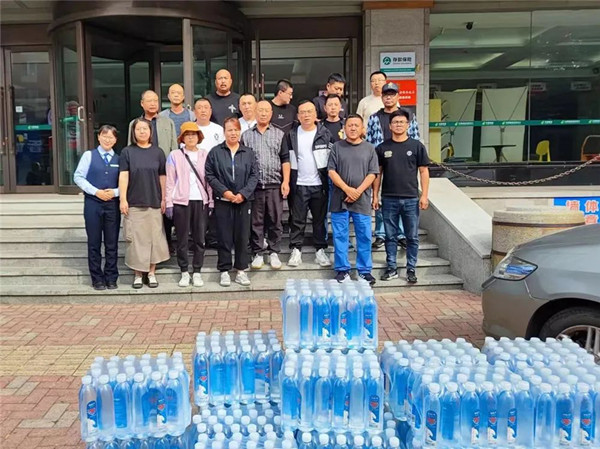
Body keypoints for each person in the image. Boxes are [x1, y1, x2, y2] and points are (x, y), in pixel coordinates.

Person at [372, 109, 430, 283]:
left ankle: (411, 269)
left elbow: (424, 171)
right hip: (389, 198)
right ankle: (391, 268)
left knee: (412, 237)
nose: (398, 125)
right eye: (395, 122)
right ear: (390, 126)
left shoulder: (417, 146)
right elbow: (378, 174)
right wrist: (375, 196)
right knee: (390, 236)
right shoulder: (382, 148)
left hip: (411, 198)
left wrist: (424, 195)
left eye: (402, 122)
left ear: (408, 125)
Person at [205, 116, 259, 287]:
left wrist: (243, 194)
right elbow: (210, 175)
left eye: (236, 130)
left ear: (240, 132)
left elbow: (254, 175)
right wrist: (225, 192)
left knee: (243, 236)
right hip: (223, 200)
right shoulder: (215, 152)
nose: (233, 133)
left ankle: (241, 270)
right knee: (224, 236)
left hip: (244, 201)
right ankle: (224, 270)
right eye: (230, 130)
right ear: (224, 132)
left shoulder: (248, 152)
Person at [366, 82, 420, 249]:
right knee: (379, 198)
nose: (388, 97)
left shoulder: (408, 116)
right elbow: (369, 140)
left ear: (398, 96)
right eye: (386, 95)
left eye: (392, 94)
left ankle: (401, 234)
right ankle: (381, 234)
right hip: (381, 162)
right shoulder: (374, 117)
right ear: (381, 97)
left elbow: (415, 139)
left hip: (404, 164)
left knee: (402, 199)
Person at [328, 115, 379, 285]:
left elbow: (373, 173)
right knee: (340, 236)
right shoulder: (337, 147)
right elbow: (331, 171)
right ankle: (342, 270)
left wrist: (357, 191)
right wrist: (347, 189)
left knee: (364, 236)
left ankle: (364, 271)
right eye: (350, 125)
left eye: (357, 125)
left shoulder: (370, 149)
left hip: (362, 200)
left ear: (362, 128)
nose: (353, 128)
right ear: (344, 128)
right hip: (339, 199)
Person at [119, 118, 170, 289]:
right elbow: (124, 176)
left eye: (145, 129)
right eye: (138, 129)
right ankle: (138, 274)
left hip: (154, 201)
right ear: (133, 132)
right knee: (136, 240)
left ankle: (151, 272)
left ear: (151, 132)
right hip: (134, 202)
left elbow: (162, 177)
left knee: (154, 239)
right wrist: (123, 199)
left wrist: (163, 198)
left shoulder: (158, 152)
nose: (142, 132)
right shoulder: (127, 152)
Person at [283, 100, 334, 268]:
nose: (306, 115)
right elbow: (286, 159)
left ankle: (320, 250)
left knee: (319, 219)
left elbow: (332, 159)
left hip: (319, 184)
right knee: (297, 219)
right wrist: (287, 181)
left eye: (309, 111)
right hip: (298, 184)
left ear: (315, 114)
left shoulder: (325, 134)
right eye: (303, 112)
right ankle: (296, 249)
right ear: (298, 116)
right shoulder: (291, 135)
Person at [128, 90, 178, 255]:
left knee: (164, 209)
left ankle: (166, 244)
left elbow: (173, 148)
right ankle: (144, 248)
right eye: (149, 101)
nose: (153, 104)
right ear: (142, 103)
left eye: (155, 100)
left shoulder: (167, 122)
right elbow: (130, 148)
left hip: (163, 171)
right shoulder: (135, 123)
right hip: (142, 175)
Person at [241, 101, 290, 270]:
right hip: (254, 186)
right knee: (256, 221)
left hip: (274, 184)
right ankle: (258, 253)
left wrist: (286, 181)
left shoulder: (279, 134)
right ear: (255, 112)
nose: (263, 113)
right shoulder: (246, 136)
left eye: (266, 111)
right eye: (260, 110)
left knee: (275, 220)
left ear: (271, 113)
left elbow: (285, 159)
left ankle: (274, 251)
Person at [165, 122, 213, 288]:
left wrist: (211, 201)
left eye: (194, 134)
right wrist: (169, 202)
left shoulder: (205, 154)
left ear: (198, 137)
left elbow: (209, 180)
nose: (191, 137)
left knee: (199, 238)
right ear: (182, 138)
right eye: (187, 134)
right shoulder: (174, 155)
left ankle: (197, 271)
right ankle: (184, 271)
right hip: (181, 201)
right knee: (182, 239)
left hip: (201, 201)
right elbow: (170, 181)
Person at [73, 125, 121, 290]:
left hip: (112, 204)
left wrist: (115, 192)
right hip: (93, 203)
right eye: (104, 136)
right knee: (94, 242)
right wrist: (96, 191)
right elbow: (78, 177)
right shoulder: (89, 155)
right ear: (98, 137)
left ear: (115, 140)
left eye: (111, 137)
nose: (108, 140)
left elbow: (126, 182)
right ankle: (97, 278)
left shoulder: (119, 159)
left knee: (111, 242)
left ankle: (111, 277)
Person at [193, 97, 225, 249]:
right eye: (199, 107)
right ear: (194, 111)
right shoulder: (190, 128)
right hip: (194, 177)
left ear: (211, 111)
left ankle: (213, 237)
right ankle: (197, 239)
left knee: (215, 206)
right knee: (197, 208)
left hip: (215, 175)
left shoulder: (218, 130)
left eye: (206, 107)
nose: (203, 110)